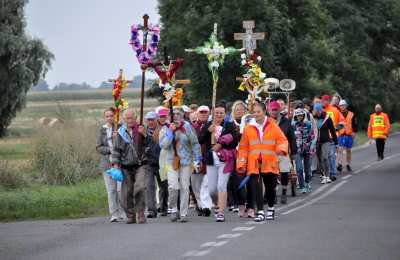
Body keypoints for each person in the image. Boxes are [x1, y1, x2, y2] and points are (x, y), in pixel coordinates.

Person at [237, 102, 288, 221]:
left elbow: (282, 140)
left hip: (269, 161)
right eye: (254, 112)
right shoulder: (248, 128)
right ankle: (260, 211)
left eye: (258, 112)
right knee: (257, 187)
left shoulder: (273, 125)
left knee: (270, 187)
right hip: (254, 163)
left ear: (264, 111)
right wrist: (241, 163)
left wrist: (281, 149)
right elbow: (243, 147)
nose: (256, 114)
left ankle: (270, 208)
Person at [159, 107, 202, 223]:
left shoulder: (187, 127)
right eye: (174, 114)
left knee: (184, 186)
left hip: (186, 161)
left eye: (179, 114)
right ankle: (173, 209)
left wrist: (198, 158)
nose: (176, 116)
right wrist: (170, 132)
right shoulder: (165, 128)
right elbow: (163, 145)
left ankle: (183, 213)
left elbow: (195, 143)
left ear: (183, 116)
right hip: (170, 161)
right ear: (169, 116)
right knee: (173, 186)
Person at [199, 102, 240, 222]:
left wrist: (220, 143)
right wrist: (207, 131)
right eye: (216, 113)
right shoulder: (208, 125)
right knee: (212, 189)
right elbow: (200, 140)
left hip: (225, 160)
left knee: (221, 186)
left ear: (224, 113)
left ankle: (221, 212)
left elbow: (235, 141)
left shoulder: (229, 125)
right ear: (213, 113)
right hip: (211, 160)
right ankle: (218, 203)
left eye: (221, 113)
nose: (218, 115)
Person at [111, 108, 150, 224]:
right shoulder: (120, 133)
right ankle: (130, 214)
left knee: (140, 187)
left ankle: (141, 212)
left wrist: (145, 135)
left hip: (141, 165)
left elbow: (150, 145)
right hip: (126, 166)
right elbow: (116, 150)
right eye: (127, 118)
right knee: (126, 192)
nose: (129, 120)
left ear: (136, 117)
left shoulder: (142, 129)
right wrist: (116, 165)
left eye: (131, 118)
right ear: (124, 119)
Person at [96, 107, 124, 222]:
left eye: (111, 116)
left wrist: (117, 138)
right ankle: (114, 213)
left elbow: (126, 143)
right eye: (107, 116)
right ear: (104, 117)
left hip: (120, 163)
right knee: (111, 190)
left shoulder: (120, 127)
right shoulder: (102, 130)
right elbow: (98, 147)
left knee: (120, 189)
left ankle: (123, 211)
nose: (109, 118)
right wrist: (109, 149)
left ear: (115, 116)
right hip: (107, 164)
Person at [268, 101, 297, 204]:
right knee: (272, 174)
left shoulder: (286, 121)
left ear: (279, 110)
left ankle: (284, 192)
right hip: (269, 151)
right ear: (269, 110)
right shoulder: (265, 121)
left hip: (282, 151)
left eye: (276, 110)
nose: (274, 112)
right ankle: (273, 193)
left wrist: (293, 151)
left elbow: (292, 138)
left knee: (284, 172)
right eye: (273, 110)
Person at [190, 105, 213, 217]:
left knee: (207, 183)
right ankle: (200, 205)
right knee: (196, 184)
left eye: (205, 113)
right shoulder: (192, 127)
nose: (203, 114)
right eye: (201, 113)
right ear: (197, 114)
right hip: (196, 158)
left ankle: (206, 206)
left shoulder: (213, 125)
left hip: (209, 157)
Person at [144, 111, 166, 218]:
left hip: (161, 162)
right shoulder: (143, 130)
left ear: (156, 119)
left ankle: (163, 207)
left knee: (163, 187)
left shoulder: (162, 130)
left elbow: (159, 144)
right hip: (148, 163)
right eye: (148, 120)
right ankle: (151, 210)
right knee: (149, 186)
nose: (150, 122)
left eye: (152, 119)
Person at [228, 100, 248, 216]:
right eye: (237, 110)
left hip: (247, 153)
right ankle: (236, 202)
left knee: (248, 179)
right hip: (234, 153)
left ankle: (248, 202)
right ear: (233, 112)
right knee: (235, 179)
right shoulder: (230, 124)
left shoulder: (249, 123)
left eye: (241, 109)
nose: (239, 111)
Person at [313, 103, 338, 184]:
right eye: (314, 110)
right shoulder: (313, 118)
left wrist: (336, 142)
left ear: (320, 110)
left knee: (325, 157)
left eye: (316, 110)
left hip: (326, 141)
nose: (315, 112)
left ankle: (327, 176)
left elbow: (332, 130)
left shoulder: (327, 118)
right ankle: (323, 175)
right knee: (319, 159)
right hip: (316, 142)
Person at [292, 108, 315, 193]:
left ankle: (307, 182)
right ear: (295, 116)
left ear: (303, 116)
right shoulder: (293, 125)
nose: (300, 117)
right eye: (298, 115)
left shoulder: (308, 124)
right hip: (297, 150)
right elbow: (291, 138)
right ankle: (302, 186)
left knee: (308, 169)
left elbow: (312, 136)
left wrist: (311, 146)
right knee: (299, 169)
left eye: (301, 115)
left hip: (307, 149)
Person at [322, 94, 343, 181]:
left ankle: (333, 173)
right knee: (324, 157)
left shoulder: (335, 110)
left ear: (328, 101)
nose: (324, 102)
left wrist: (336, 128)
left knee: (331, 155)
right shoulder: (319, 111)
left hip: (331, 137)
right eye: (323, 100)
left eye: (326, 100)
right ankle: (325, 173)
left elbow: (342, 123)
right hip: (322, 138)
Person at [337, 100, 358, 172]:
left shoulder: (352, 114)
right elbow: (336, 124)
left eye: (343, 105)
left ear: (346, 106)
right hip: (341, 134)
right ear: (339, 106)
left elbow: (355, 124)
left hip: (349, 134)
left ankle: (348, 164)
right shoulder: (338, 114)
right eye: (340, 105)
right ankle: (339, 164)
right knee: (340, 149)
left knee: (348, 150)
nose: (342, 107)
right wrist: (336, 131)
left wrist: (354, 132)